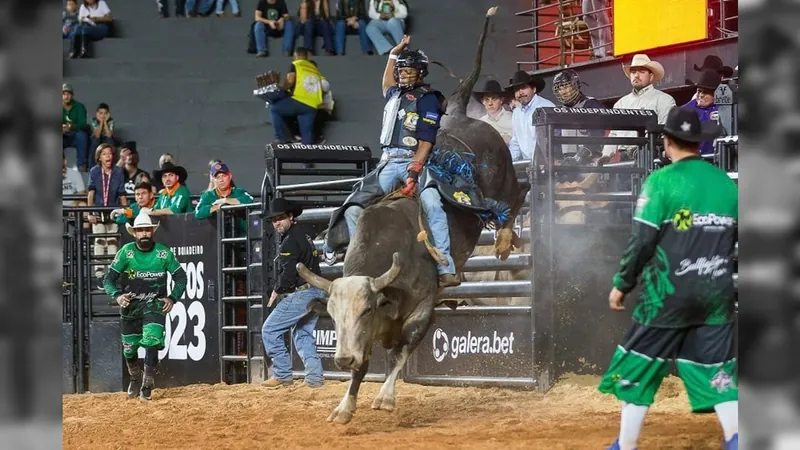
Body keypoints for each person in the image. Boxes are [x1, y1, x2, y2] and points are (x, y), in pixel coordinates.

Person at [598, 107, 738, 450]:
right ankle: (737, 439)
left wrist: (622, 284)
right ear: (697, 143)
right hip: (716, 294)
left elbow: (642, 240)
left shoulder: (661, 182)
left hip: (667, 295)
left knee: (637, 368)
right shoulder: (725, 183)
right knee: (718, 371)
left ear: (667, 141)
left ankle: (625, 446)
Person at [341, 35, 459, 288]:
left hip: (411, 160)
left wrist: (414, 171)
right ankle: (357, 265)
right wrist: (393, 54)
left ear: (420, 73)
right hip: (386, 162)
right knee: (352, 208)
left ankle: (445, 265)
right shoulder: (394, 93)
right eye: (400, 71)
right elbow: (386, 83)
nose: (402, 75)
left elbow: (426, 140)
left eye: (408, 71)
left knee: (432, 205)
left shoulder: (428, 99)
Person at [103, 213, 187, 401]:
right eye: (140, 230)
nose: (144, 233)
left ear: (152, 231)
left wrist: (172, 298)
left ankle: (148, 381)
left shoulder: (163, 253)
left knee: (151, 340)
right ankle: (135, 377)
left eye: (147, 229)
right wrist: (117, 296)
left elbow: (181, 277)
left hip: (154, 305)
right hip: (130, 307)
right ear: (134, 233)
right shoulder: (126, 252)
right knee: (129, 349)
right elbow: (108, 279)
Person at [261, 198, 325, 389]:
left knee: (270, 330)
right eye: (273, 220)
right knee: (303, 333)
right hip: (317, 291)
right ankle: (314, 378)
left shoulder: (289, 242)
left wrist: (278, 288)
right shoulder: (304, 234)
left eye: (280, 218)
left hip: (303, 292)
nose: (276, 223)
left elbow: (289, 274)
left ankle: (281, 374)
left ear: (290, 217)